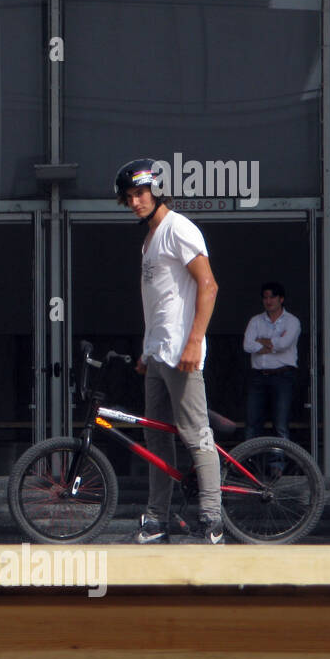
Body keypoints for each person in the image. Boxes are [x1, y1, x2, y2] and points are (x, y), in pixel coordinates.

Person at [115, 159, 224, 545]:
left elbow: (207, 286)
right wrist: (147, 350)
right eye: (128, 197)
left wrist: (195, 341)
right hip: (160, 355)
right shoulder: (150, 238)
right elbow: (160, 303)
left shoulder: (178, 228)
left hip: (182, 352)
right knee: (157, 441)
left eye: (140, 193)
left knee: (196, 436)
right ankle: (156, 518)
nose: (134, 202)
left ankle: (212, 520)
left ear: (157, 191)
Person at [243, 281, 300, 441]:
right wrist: (274, 343)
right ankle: (249, 463)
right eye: (265, 297)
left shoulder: (292, 321)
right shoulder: (255, 321)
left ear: (281, 299)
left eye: (272, 297)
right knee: (252, 423)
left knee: (280, 424)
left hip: (283, 376)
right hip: (258, 376)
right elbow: (247, 345)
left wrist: (261, 341)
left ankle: (278, 465)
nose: (268, 301)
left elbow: (284, 344)